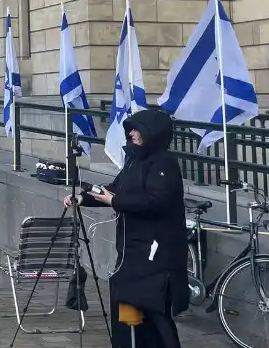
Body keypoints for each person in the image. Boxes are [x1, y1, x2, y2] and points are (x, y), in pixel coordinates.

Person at [65, 108, 187, 348]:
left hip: (156, 256)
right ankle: (128, 344)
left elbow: (156, 201)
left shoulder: (164, 164)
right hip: (131, 253)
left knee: (155, 311)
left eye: (136, 129)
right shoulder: (134, 162)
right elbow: (114, 189)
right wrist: (84, 197)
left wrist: (116, 202)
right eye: (130, 129)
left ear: (150, 133)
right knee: (126, 301)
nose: (130, 133)